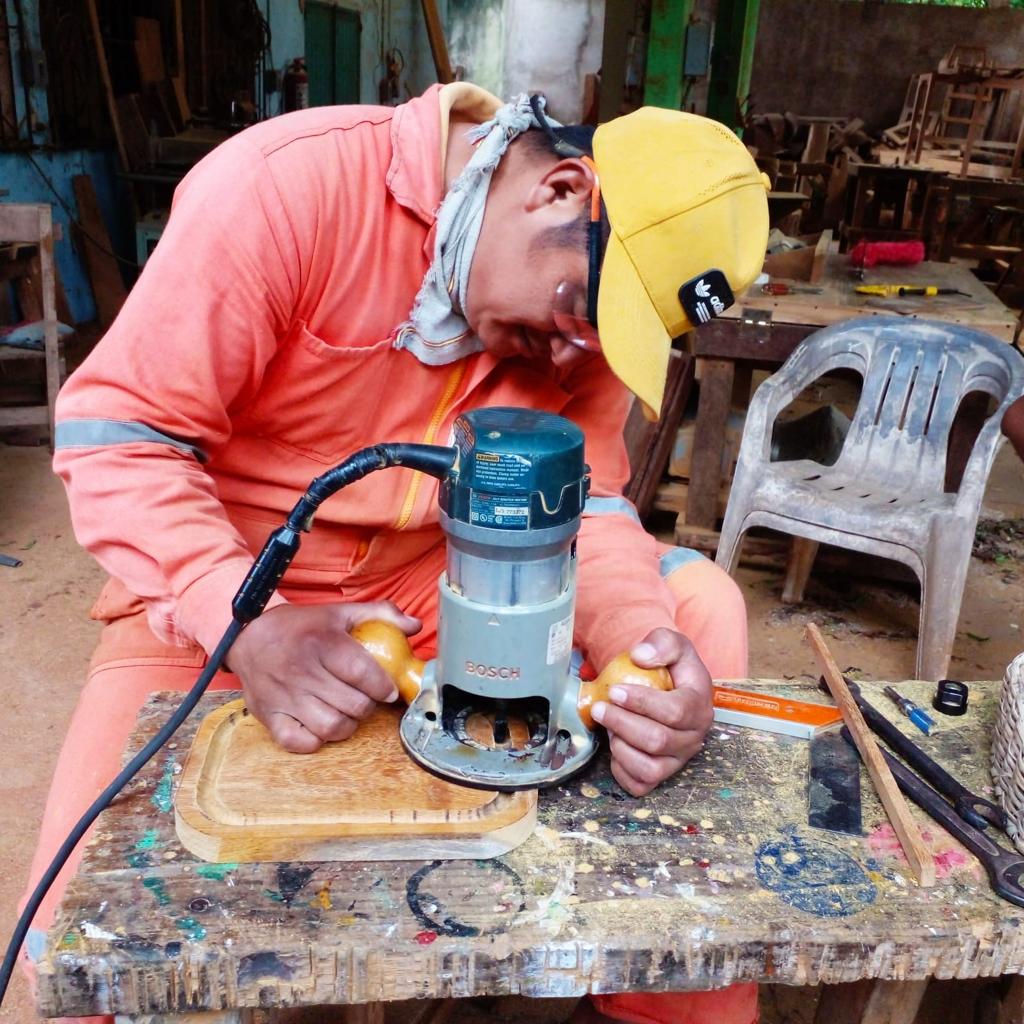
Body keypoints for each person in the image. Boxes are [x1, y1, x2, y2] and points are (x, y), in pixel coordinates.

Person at [26, 83, 768, 1024]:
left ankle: (653, 985)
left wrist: (636, 646)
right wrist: (241, 621)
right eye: (586, 308)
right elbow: (119, 435)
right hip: (228, 575)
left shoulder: (570, 345)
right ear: (560, 190)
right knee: (83, 925)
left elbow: (595, 506)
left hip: (437, 574)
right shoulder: (289, 189)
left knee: (692, 613)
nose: (575, 359)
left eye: (612, 343)